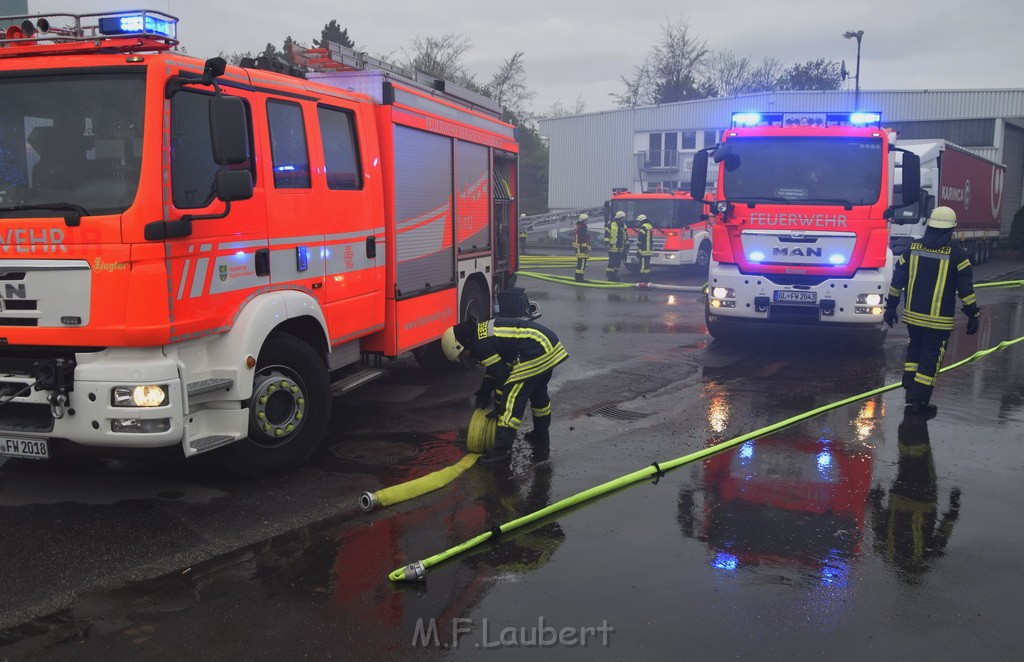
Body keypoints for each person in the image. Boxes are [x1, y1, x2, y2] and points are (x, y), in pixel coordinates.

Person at [884, 206, 980, 415]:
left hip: (913, 317)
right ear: (950, 230)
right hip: (939, 321)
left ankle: (910, 391)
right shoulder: (958, 255)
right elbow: (966, 290)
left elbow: (897, 280)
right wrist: (973, 314)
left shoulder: (913, 248)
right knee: (930, 357)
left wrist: (890, 307)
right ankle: (920, 402)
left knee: (915, 350)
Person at [441, 317, 568, 466]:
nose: (465, 358)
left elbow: (501, 377)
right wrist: (485, 389)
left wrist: (500, 407)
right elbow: (496, 367)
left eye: (462, 354)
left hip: (536, 350)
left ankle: (502, 451)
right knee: (538, 393)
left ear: (461, 345)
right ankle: (541, 435)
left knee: (511, 397)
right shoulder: (480, 336)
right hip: (548, 344)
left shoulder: (481, 345)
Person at [604, 210, 628, 281]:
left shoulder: (624, 226)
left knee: (618, 263)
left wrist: (626, 245)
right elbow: (606, 235)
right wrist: (607, 244)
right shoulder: (611, 225)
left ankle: (614, 275)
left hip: (620, 248)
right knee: (612, 262)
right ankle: (610, 276)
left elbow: (625, 237)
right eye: (623, 218)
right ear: (619, 218)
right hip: (612, 248)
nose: (624, 219)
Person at [572, 213, 592, 282]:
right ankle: (580, 278)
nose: (586, 222)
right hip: (582, 249)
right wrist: (585, 248)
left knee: (580, 264)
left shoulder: (579, 227)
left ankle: (577, 277)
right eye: (585, 220)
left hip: (579, 248)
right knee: (582, 264)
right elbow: (582, 240)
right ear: (582, 221)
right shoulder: (582, 228)